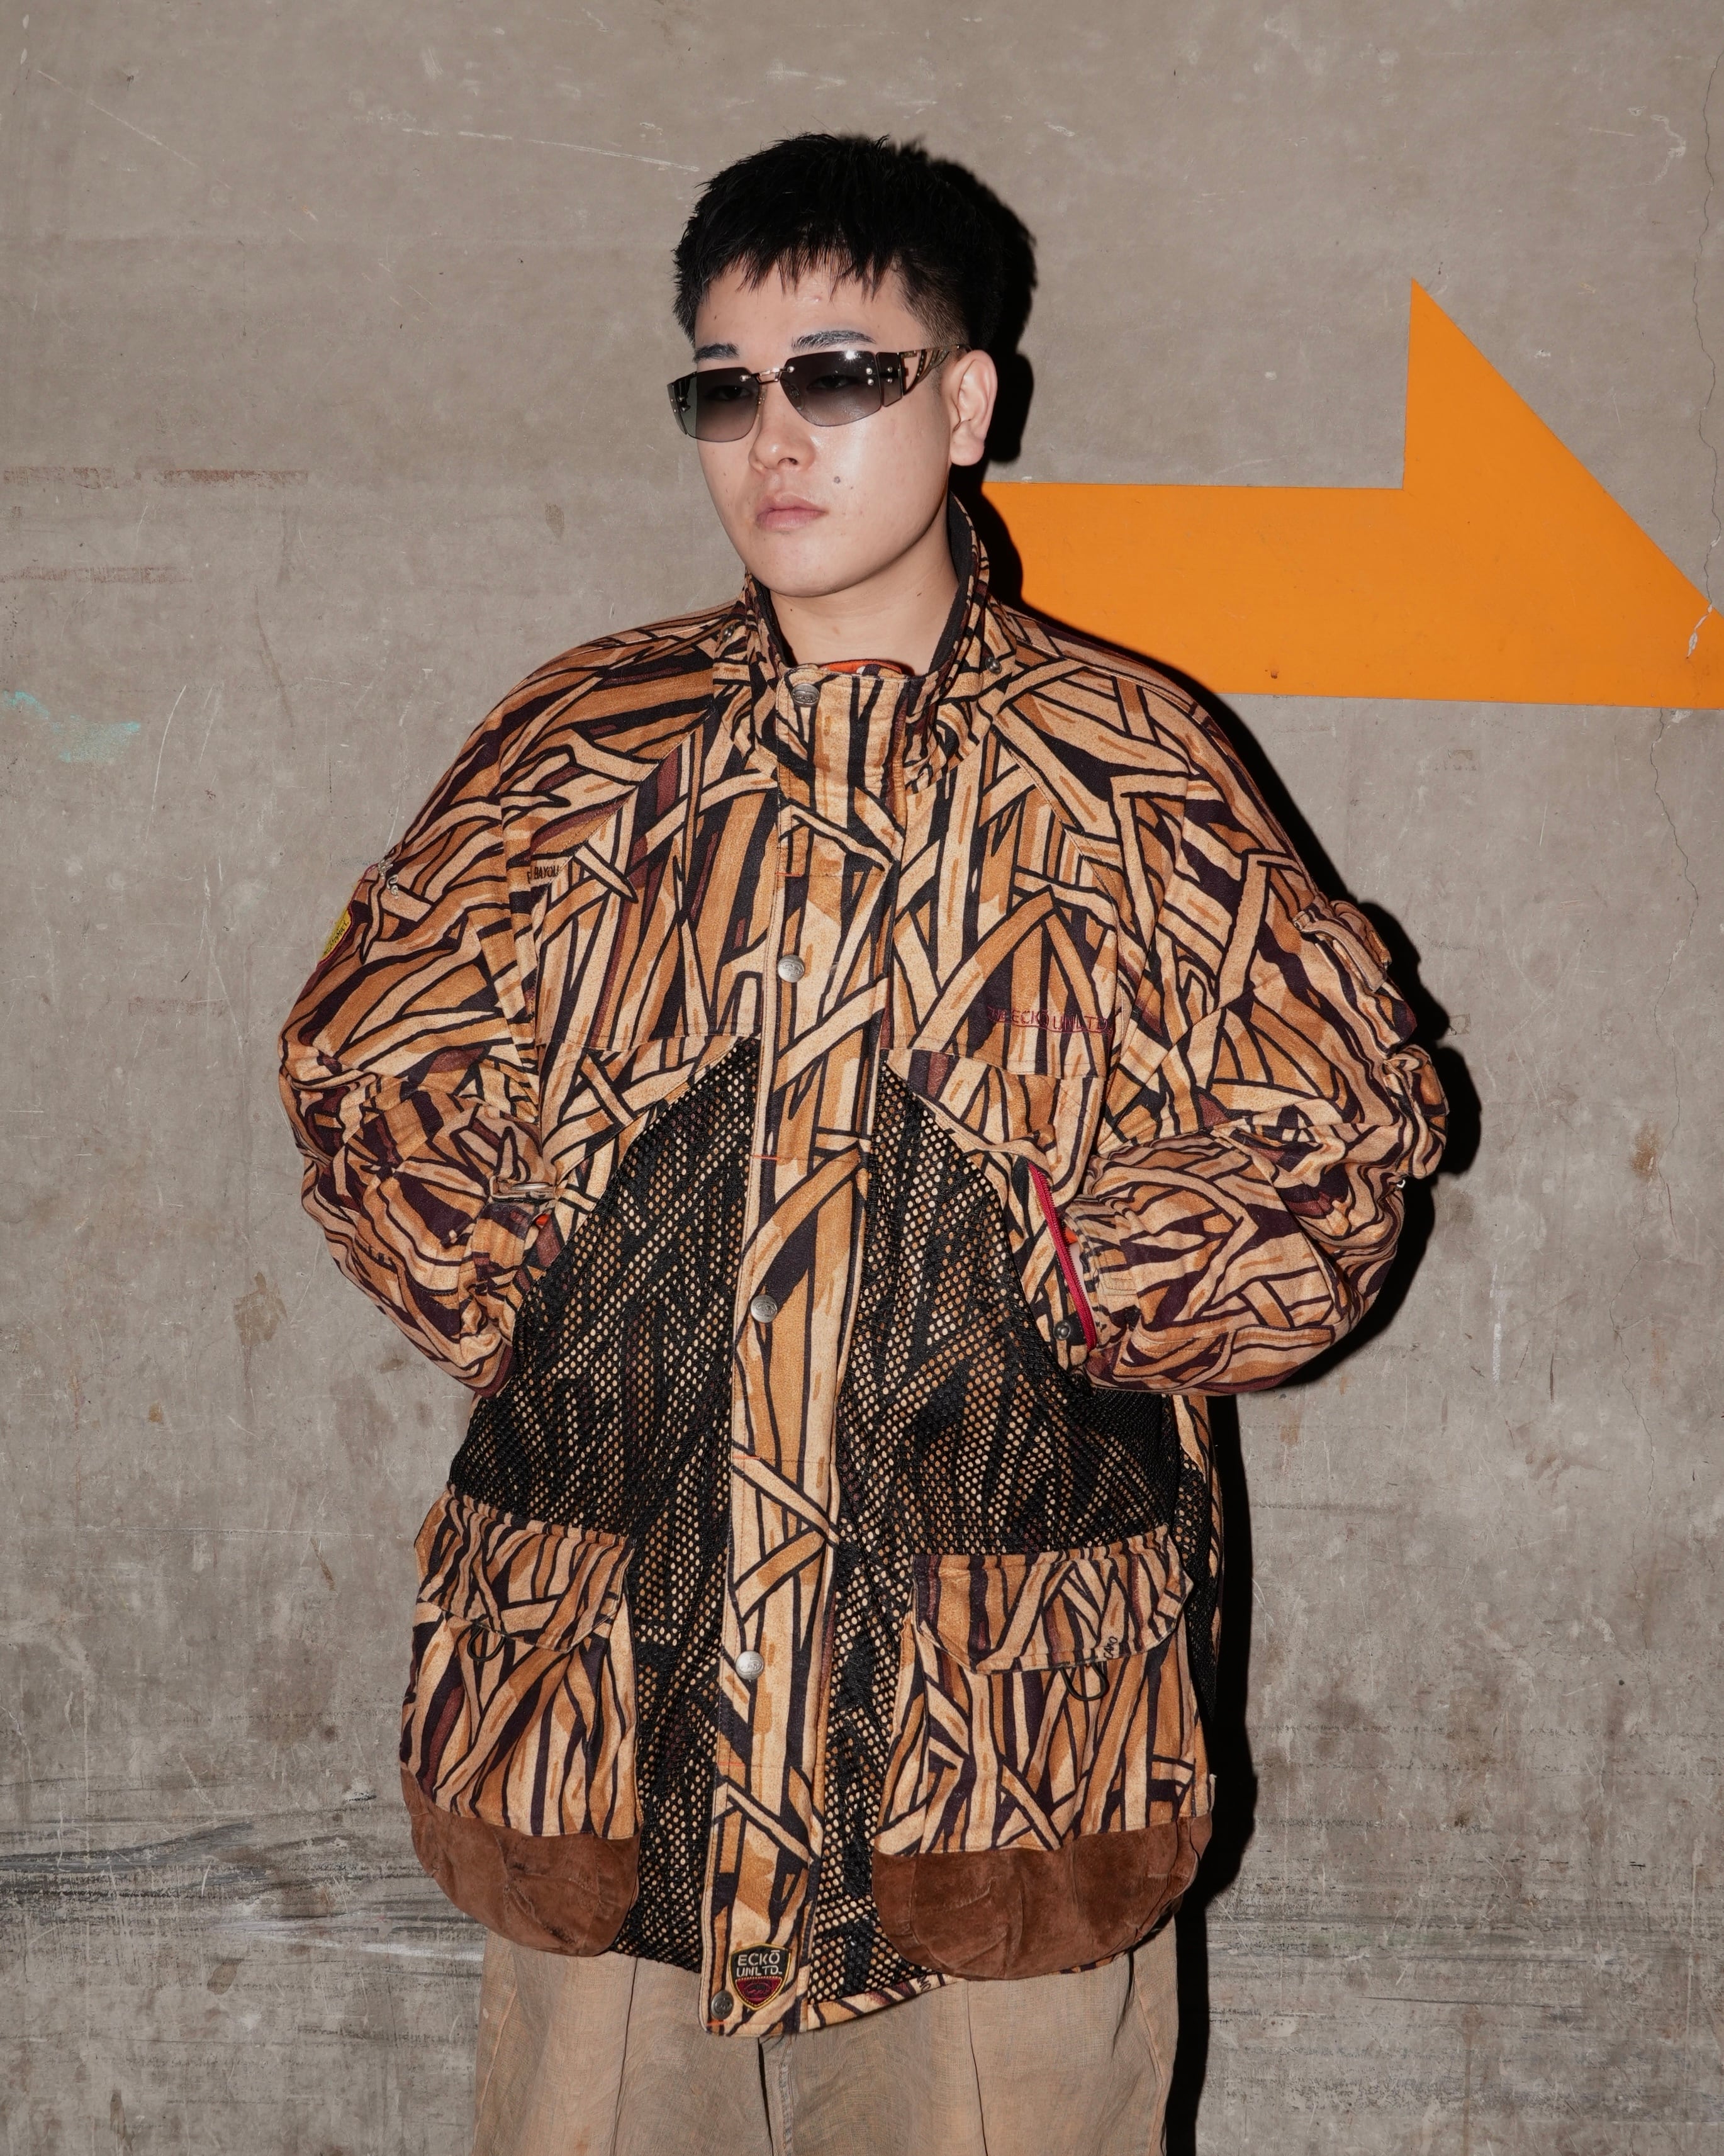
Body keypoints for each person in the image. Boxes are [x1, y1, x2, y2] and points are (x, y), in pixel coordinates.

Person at [279, 132, 1446, 2156]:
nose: (773, 437)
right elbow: (364, 1056)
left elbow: (1337, 1136)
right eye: (723, 384)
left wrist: (1066, 1281)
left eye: (838, 373)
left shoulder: (1124, 767)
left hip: (1001, 1725)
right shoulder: (588, 743)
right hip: (606, 1692)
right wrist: (559, 1296)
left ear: (964, 400)